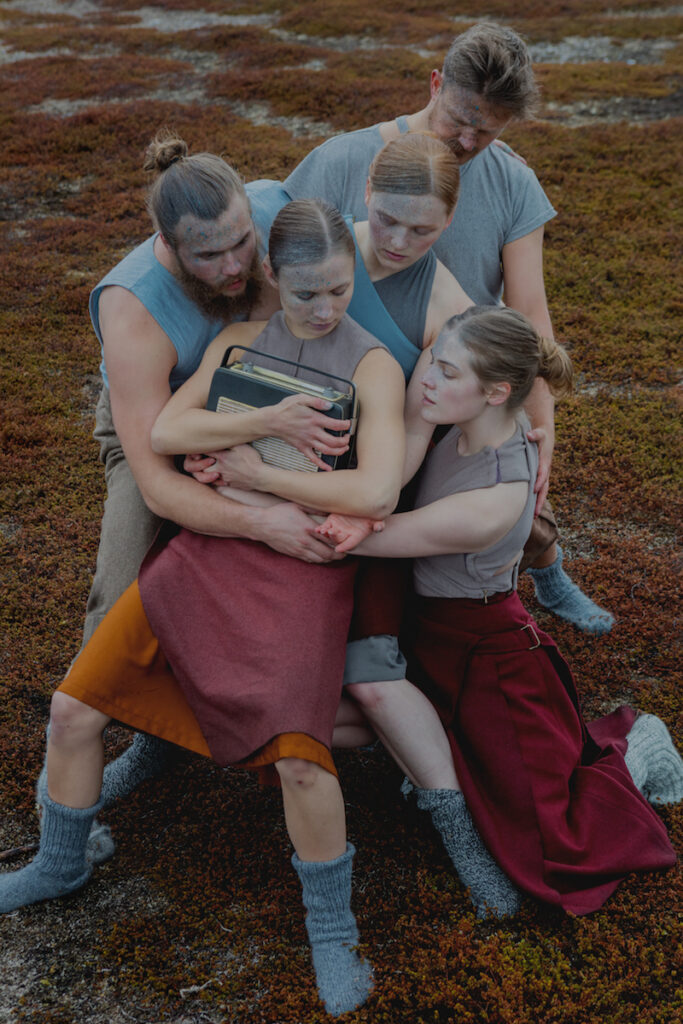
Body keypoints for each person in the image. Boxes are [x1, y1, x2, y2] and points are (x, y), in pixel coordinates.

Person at [1, 200, 407, 1018]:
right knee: (74, 709)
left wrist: (255, 473)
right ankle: (60, 863)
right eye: (306, 293)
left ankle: (333, 929)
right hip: (208, 552)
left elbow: (375, 491)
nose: (324, 308)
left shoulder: (371, 365)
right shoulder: (239, 340)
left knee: (300, 759)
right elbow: (167, 433)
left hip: (301, 566)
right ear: (273, 277)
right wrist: (264, 423)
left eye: (338, 289)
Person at [314, 306, 681, 917]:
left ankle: (639, 749)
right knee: (319, 718)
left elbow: (365, 537)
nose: (427, 378)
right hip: (428, 633)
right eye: (434, 361)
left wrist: (248, 484)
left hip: (489, 657)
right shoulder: (465, 416)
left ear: (495, 392)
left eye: (447, 371)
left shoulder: (495, 498)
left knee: (554, 848)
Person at [282, 21, 614, 635]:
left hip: (456, 379)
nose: (467, 141)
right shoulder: (341, 160)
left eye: (486, 132)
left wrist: (541, 431)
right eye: (459, 120)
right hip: (348, 380)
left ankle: (544, 564)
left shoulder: (513, 181)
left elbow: (528, 315)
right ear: (436, 83)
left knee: (505, 470)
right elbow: (280, 266)